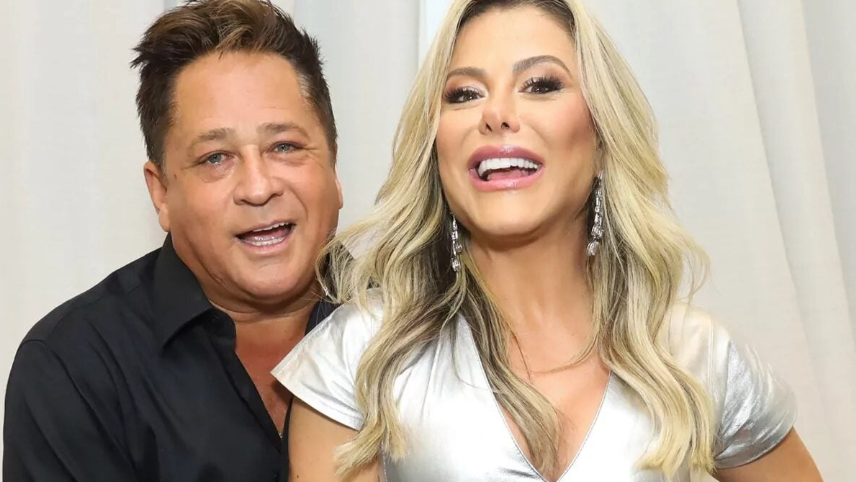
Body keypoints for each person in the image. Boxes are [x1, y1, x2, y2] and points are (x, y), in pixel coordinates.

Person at [274, 0, 823, 481]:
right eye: (464, 93)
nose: (496, 114)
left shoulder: (697, 356)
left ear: (603, 136)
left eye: (540, 85)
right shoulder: (360, 354)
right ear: (435, 150)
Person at [3, 1, 342, 480]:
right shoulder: (75, 367)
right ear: (161, 192)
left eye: (284, 146)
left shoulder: (413, 325)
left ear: (333, 165)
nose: (258, 187)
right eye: (215, 158)